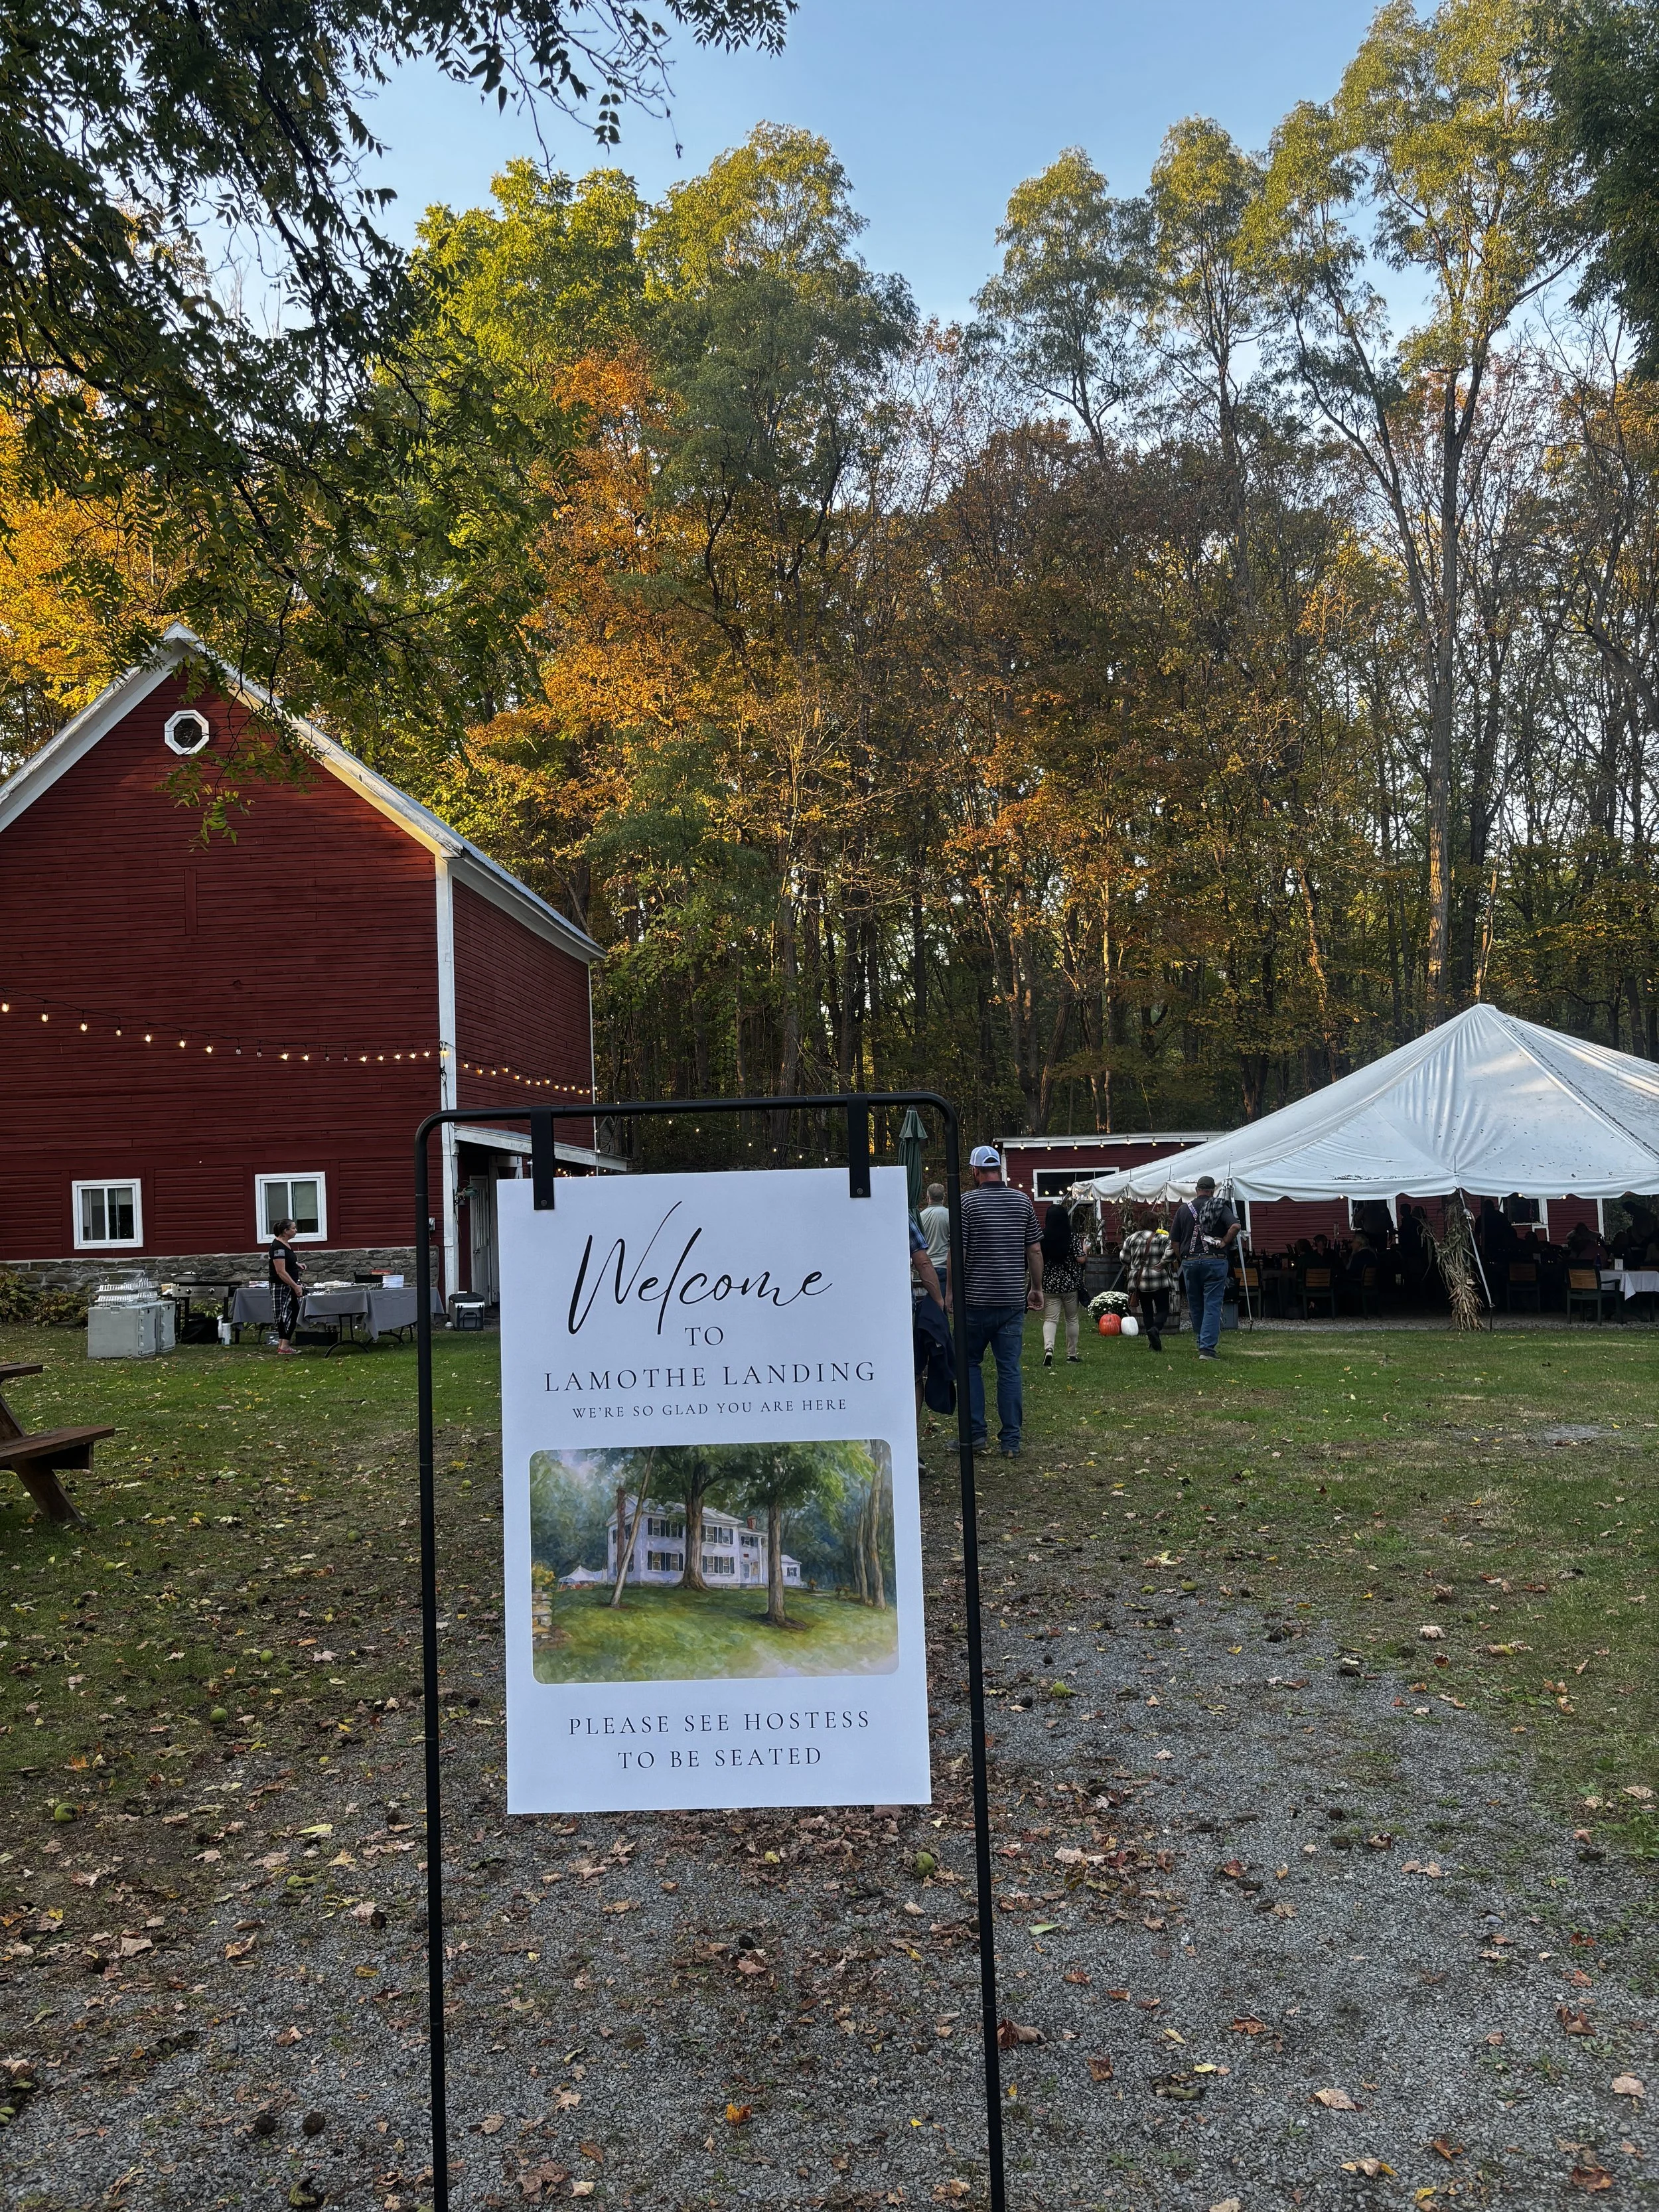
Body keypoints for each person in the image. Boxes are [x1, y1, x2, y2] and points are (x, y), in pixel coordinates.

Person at [952, 1145, 1043, 1457]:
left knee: (969, 1366)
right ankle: (1011, 1441)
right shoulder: (1022, 1201)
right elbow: (1034, 1250)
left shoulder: (966, 1202)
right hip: (1011, 1302)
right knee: (1009, 1370)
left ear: (975, 1172)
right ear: (999, 1171)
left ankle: (976, 1434)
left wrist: (952, 1292)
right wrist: (1036, 1288)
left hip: (975, 1301)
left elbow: (958, 1253)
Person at [1171, 1175, 1238, 1361]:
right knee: (1212, 1304)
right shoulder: (1218, 1206)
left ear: (1196, 1190)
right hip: (1214, 1260)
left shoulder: (1184, 1210)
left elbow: (1174, 1241)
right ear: (1213, 1190)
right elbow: (1235, 1226)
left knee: (1195, 1305)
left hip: (1190, 1262)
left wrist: (1182, 1258)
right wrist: (1224, 1241)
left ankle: (1201, 1342)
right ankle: (1207, 1349)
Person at [1119, 1206, 1177, 1351]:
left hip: (1140, 1282)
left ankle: (1152, 1342)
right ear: (1155, 1223)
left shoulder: (1131, 1239)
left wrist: (1135, 1264)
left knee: (1147, 1311)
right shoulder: (1162, 1238)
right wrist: (1163, 1262)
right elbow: (1173, 1252)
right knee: (1163, 1309)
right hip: (1160, 1279)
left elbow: (1124, 1259)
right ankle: (1156, 1330)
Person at [1039, 1201, 1084, 1366]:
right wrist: (1085, 1251)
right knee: (1072, 1319)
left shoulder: (1042, 1236)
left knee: (1051, 1319)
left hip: (1050, 1285)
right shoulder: (1071, 1236)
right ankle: (1072, 1355)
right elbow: (1080, 1258)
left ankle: (1049, 1349)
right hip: (1070, 1285)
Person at [267, 1217, 305, 1356]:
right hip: (282, 1287)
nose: (296, 1231)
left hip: (290, 1284)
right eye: (294, 1228)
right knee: (284, 1315)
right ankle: (284, 1346)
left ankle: (284, 1344)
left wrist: (297, 1265)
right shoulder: (278, 1247)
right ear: (285, 1231)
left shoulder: (285, 1244)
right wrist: (295, 1286)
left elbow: (286, 1262)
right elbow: (280, 1271)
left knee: (293, 1313)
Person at [919, 1181, 952, 1295]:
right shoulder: (950, 1215)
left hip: (926, 1267)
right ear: (944, 1197)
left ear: (928, 1197)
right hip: (945, 1266)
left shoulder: (920, 1217)